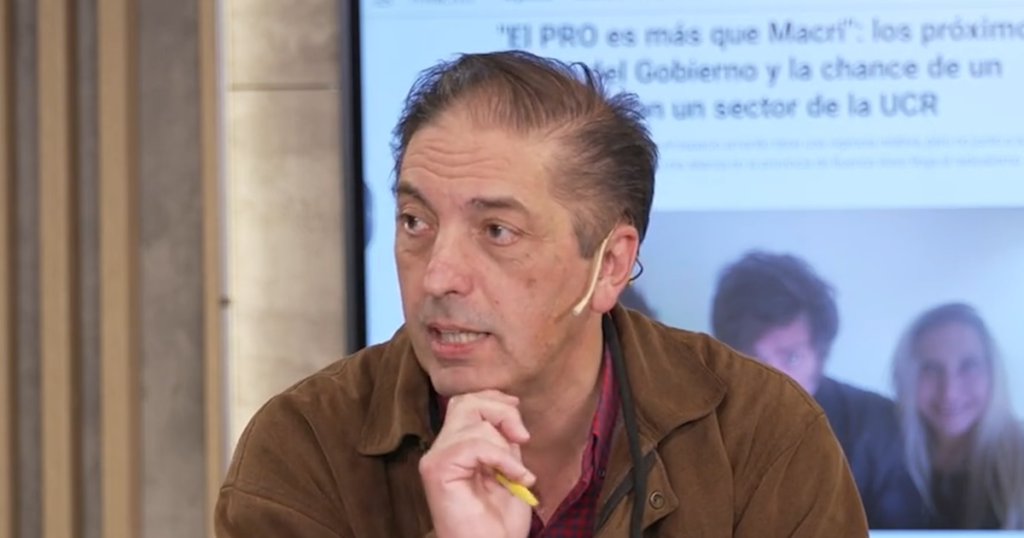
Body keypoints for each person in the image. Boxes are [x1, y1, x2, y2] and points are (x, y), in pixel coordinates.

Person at [215, 51, 867, 537]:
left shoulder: (758, 434)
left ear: (610, 265)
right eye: (416, 222)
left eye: (497, 231)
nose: (438, 276)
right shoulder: (306, 447)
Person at [711, 250, 928, 529]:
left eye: (791, 357)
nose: (769, 377)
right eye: (751, 358)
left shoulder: (877, 427)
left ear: (819, 357)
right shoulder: (690, 424)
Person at [891, 302, 1024, 529]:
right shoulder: (878, 449)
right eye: (931, 368)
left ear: (993, 373)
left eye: (969, 366)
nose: (949, 392)